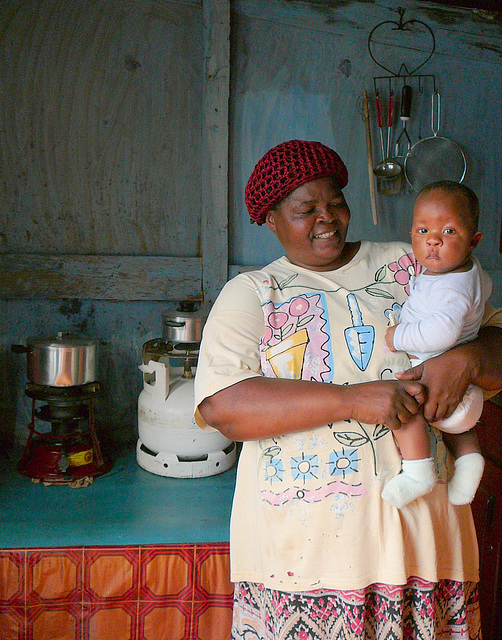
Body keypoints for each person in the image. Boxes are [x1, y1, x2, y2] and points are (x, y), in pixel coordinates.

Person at [194, 140, 502, 640]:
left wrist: (468, 359)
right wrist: (353, 399)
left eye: (335, 202)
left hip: (422, 544)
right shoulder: (252, 294)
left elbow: (493, 340)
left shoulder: (412, 265)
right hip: (306, 556)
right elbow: (224, 407)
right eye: (305, 209)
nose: (327, 219)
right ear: (271, 219)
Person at [383, 181, 490, 509]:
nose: (433, 240)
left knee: (400, 406)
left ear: (473, 241)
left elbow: (442, 331)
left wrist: (397, 336)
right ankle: (469, 458)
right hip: (465, 397)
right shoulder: (468, 272)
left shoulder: (451, 289)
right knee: (456, 427)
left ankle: (418, 471)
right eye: (423, 229)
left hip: (436, 380)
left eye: (449, 231)